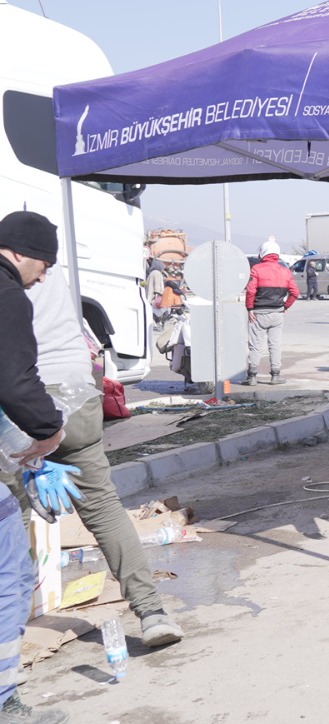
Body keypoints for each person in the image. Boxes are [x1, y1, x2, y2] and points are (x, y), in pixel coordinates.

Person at [17, 267, 186, 650]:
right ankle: (152, 612)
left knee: (11, 514)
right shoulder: (46, 267)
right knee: (103, 506)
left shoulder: (11, 272)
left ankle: (8, 637)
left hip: (23, 394)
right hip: (78, 390)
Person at [0, 210, 76, 723]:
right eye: (44, 264)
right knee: (10, 573)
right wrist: (49, 431)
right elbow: (14, 381)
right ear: (20, 253)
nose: (44, 276)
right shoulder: (8, 295)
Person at [243, 240, 300, 386]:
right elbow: (295, 292)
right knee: (275, 345)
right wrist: (285, 307)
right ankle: (275, 375)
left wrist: (249, 308)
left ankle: (252, 377)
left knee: (255, 345)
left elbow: (251, 291)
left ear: (262, 253)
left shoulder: (256, 269)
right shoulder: (285, 271)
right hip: (277, 313)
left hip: (258, 313)